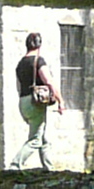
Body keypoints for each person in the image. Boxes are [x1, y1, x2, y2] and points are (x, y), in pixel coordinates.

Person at [14, 31, 61, 168]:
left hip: (23, 102)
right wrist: (60, 100)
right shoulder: (38, 61)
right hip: (35, 103)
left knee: (44, 137)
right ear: (39, 45)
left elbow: (18, 86)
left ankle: (48, 168)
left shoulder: (20, 64)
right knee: (35, 140)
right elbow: (49, 81)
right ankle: (15, 165)